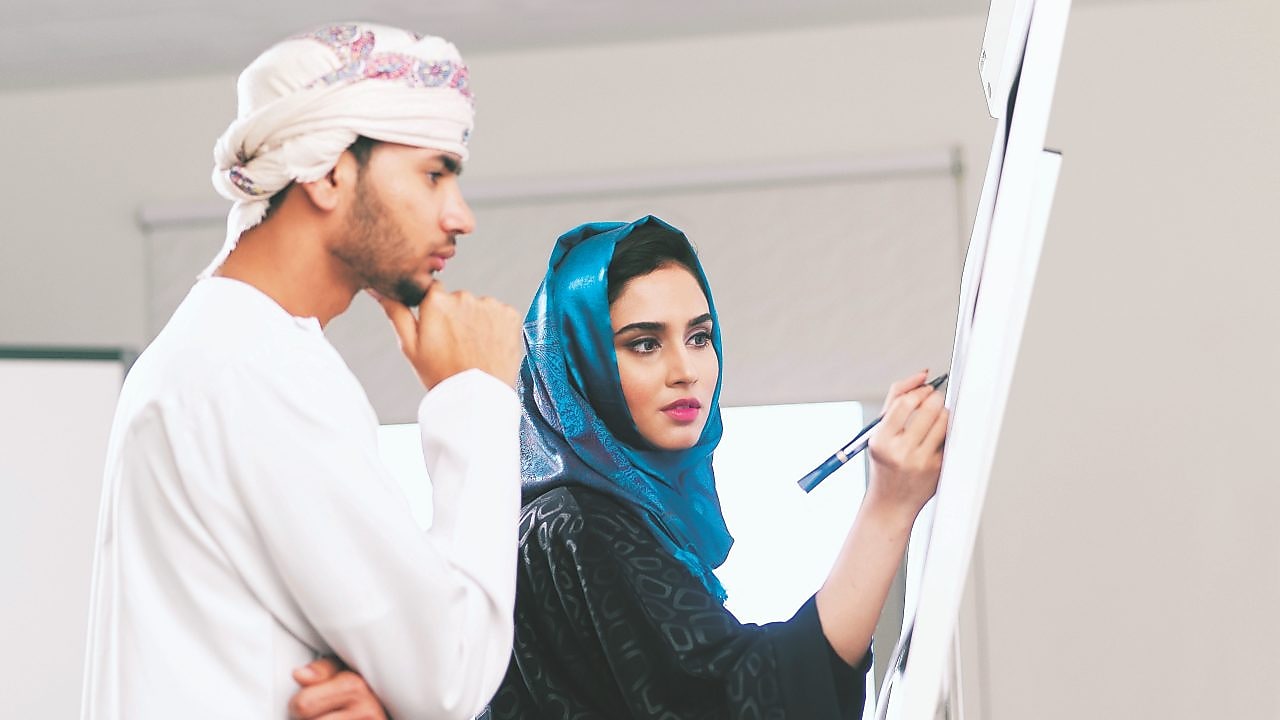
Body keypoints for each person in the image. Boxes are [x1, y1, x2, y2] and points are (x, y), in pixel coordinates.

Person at [81, 23, 523, 720]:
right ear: (327, 173)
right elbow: (452, 672)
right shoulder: (257, 371)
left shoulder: (227, 351)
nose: (459, 217)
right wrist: (476, 396)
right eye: (434, 174)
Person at [488, 215, 948, 717]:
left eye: (699, 337)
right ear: (580, 362)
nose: (686, 371)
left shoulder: (584, 513)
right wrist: (887, 507)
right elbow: (742, 696)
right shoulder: (574, 523)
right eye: (644, 343)